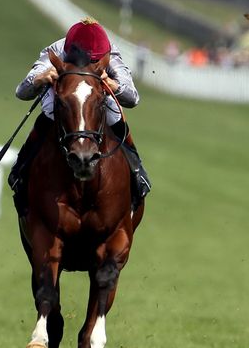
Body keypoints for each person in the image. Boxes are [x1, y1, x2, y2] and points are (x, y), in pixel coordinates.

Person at [10, 18, 151, 210]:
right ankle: (21, 167)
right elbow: (21, 92)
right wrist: (39, 79)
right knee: (51, 111)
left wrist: (113, 85)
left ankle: (137, 169)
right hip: (63, 94)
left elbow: (133, 99)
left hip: (97, 95)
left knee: (114, 115)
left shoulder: (111, 53)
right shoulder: (56, 50)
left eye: (93, 61)